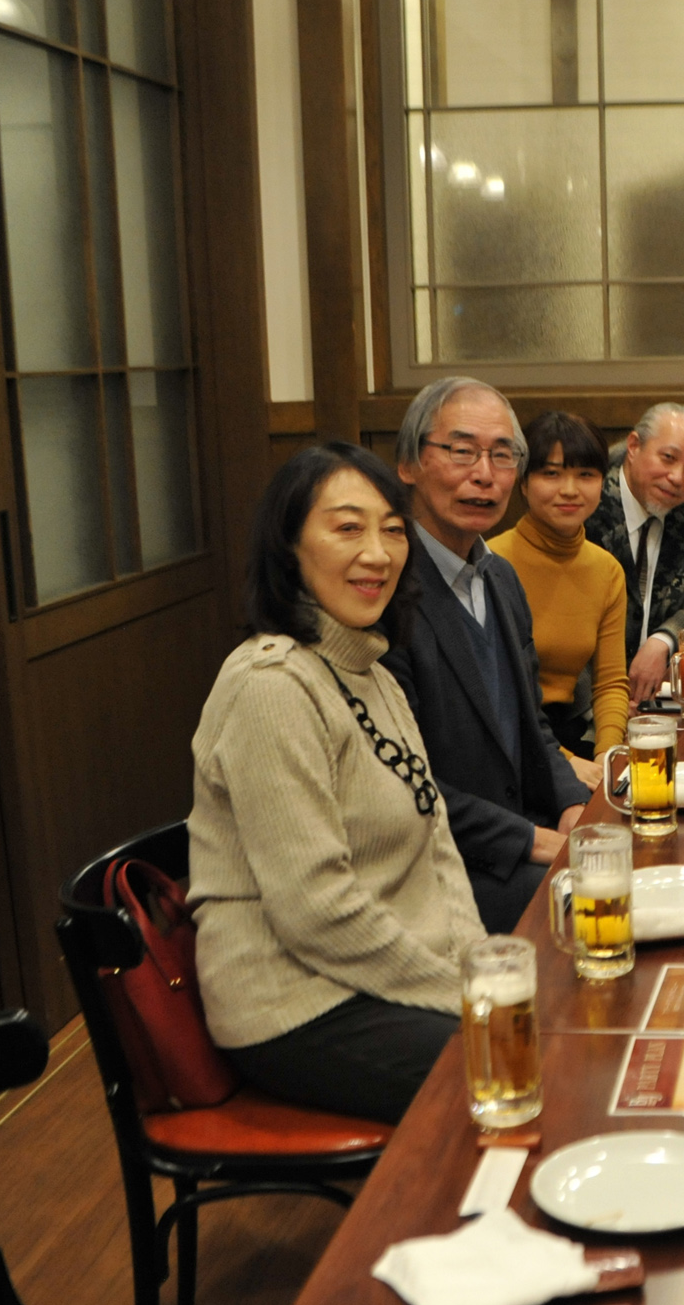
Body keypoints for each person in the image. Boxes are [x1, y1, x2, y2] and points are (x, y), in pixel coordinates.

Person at [189, 443, 481, 1125]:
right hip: (296, 1002)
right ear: (289, 546)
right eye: (348, 528)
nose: (377, 553)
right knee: (513, 1066)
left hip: (383, 977)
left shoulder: (372, 674)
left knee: (548, 1026)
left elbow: (439, 848)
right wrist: (462, 994)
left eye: (392, 530)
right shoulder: (269, 686)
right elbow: (315, 911)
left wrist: (477, 967)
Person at [382, 377, 591, 934]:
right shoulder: (383, 593)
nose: (484, 474)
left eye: (502, 455)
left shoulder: (500, 578)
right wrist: (534, 841)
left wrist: (572, 803)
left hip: (523, 835)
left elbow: (532, 725)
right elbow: (399, 783)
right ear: (408, 464)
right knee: (604, 913)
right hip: (441, 866)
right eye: (461, 451)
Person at [489, 410, 628, 780]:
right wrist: (565, 763)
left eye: (586, 475)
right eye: (551, 474)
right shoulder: (492, 564)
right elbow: (497, 696)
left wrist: (607, 756)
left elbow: (610, 683)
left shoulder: (606, 570)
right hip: (508, 746)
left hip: (572, 737)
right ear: (523, 482)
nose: (570, 489)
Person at [584, 402, 684, 707]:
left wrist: (663, 640)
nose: (677, 477)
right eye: (668, 458)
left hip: (659, 697)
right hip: (586, 705)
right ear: (634, 446)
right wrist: (607, 706)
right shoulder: (586, 506)